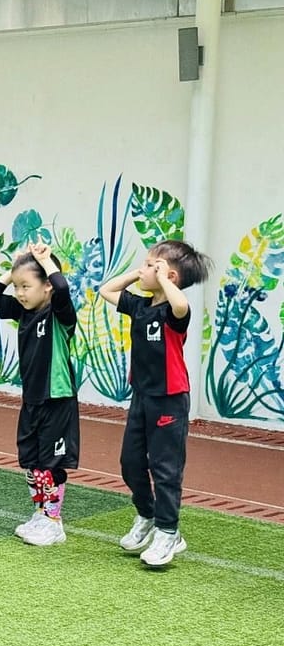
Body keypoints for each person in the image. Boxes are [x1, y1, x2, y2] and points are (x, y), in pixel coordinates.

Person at [98, 239, 212, 567]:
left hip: (170, 400)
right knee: (130, 463)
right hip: (142, 396)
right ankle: (147, 515)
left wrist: (161, 278)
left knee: (165, 469)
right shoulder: (140, 306)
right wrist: (139, 274)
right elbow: (107, 290)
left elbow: (181, 305)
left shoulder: (174, 312)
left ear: (169, 275)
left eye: (150, 264)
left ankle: (168, 531)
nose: (143, 269)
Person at [0, 242, 79, 546]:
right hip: (32, 399)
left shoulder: (59, 314)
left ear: (46, 286)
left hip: (57, 399)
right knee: (32, 461)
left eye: (26, 286)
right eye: (17, 286)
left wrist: (45, 261)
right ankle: (40, 513)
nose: (20, 293)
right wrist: (14, 270)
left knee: (51, 463)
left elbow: (62, 289)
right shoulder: (23, 312)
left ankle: (54, 522)